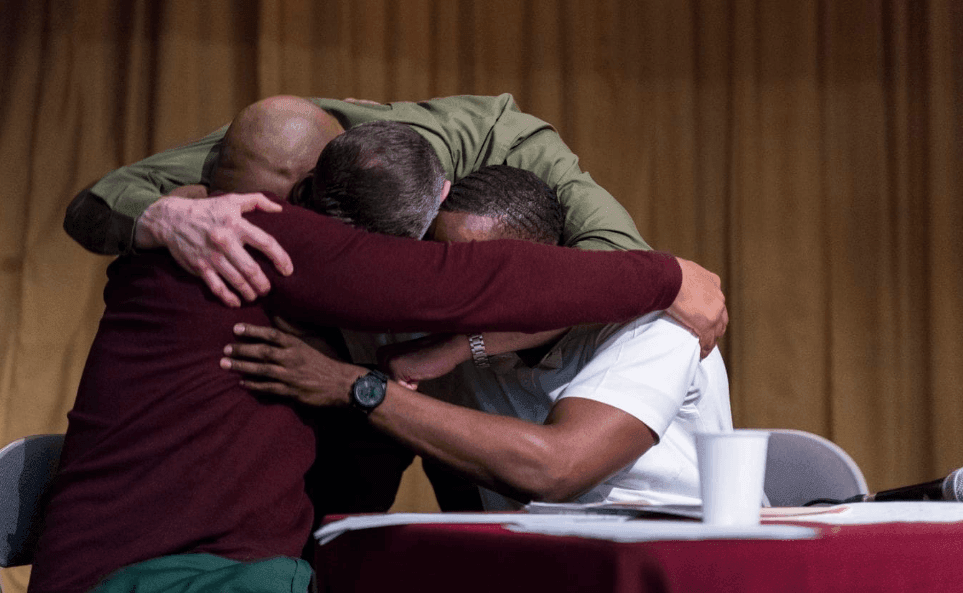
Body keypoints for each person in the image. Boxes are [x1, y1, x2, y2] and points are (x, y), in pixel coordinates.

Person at [31, 109, 718, 593]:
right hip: (168, 572)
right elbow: (472, 284)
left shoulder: (222, 234)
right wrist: (668, 275)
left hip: (193, 562)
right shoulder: (274, 239)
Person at [223, 166, 733, 509]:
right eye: (445, 267)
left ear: (551, 266)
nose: (461, 289)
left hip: (671, 565)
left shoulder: (658, 326)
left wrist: (357, 387)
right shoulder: (435, 339)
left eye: (488, 273)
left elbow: (556, 469)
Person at [63, 93, 725, 355]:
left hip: (495, 379)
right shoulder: (290, 140)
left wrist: (459, 348)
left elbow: (617, 272)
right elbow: (99, 201)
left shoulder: (511, 142)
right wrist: (167, 213)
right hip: (338, 374)